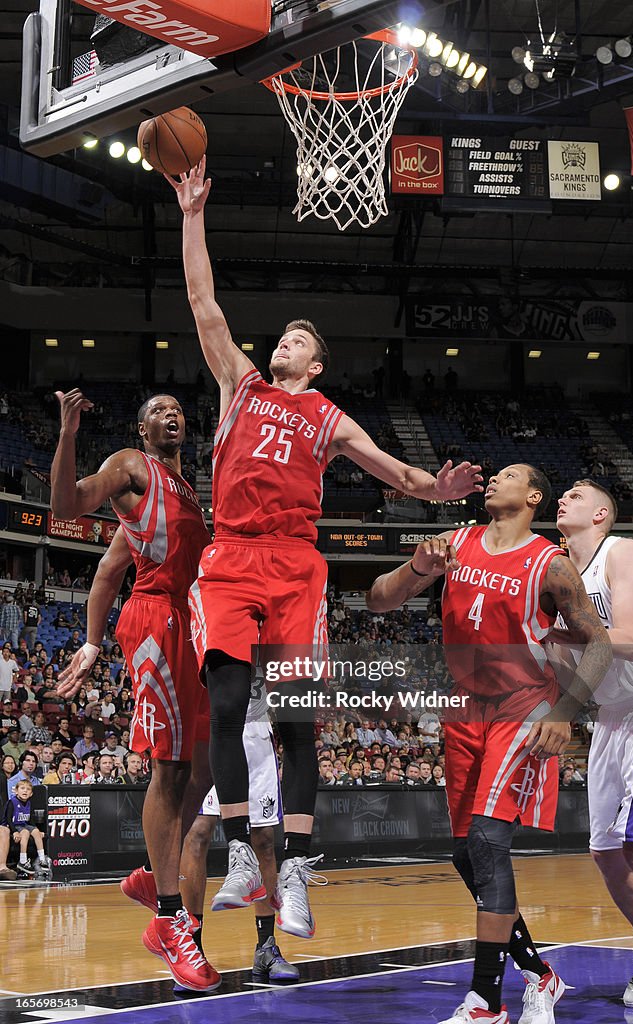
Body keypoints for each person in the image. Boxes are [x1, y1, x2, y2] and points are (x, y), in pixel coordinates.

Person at [170, 153, 482, 941]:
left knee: (299, 724)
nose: (284, 341)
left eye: (297, 340)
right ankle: (243, 853)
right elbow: (204, 303)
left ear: (315, 365)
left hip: (295, 567)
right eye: (281, 335)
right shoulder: (240, 385)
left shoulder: (329, 417)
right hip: (233, 558)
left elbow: (395, 467)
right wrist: (192, 215)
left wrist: (435, 493)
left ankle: (300, 868)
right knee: (230, 705)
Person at [366, 463, 612, 1024]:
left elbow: (597, 644)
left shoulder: (551, 566)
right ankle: (541, 974)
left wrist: (567, 711)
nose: (492, 481)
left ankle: (485, 1001)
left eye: (505, 475)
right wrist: (415, 567)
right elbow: (378, 600)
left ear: (532, 496)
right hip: (463, 704)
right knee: (463, 853)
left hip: (522, 705)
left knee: (487, 840)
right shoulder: (455, 542)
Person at [51, 392, 218, 992]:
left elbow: (106, 570)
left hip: (191, 624)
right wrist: (68, 435)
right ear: (142, 427)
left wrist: (93, 642)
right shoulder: (131, 466)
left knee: (200, 773)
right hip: (156, 623)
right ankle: (171, 921)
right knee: (170, 772)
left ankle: (153, 875)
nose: (172, 413)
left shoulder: (184, 492)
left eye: (178, 408)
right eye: (159, 409)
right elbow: (66, 506)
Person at [552, 479, 633, 1009]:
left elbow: (629, 639)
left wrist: (562, 638)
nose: (563, 498)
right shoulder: (559, 572)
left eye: (576, 493)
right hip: (609, 718)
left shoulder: (624, 553)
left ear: (601, 514)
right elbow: (564, 664)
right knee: (604, 852)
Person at [179, 676, 300, 984]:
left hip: (255, 731)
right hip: (211, 731)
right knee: (198, 834)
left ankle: (266, 946)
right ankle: (192, 948)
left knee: (263, 840)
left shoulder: (266, 630)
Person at [1, 779, 49, 878]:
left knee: (36, 832)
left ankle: (42, 859)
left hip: (23, 824)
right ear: (16, 791)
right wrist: (14, 832)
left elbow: (30, 820)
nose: (25, 791)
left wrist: (37, 830)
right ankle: (22, 860)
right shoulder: (12, 802)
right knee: (26, 833)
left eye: (28, 789)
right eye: (22, 788)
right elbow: (8, 819)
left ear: (31, 793)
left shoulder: (29, 803)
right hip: (14, 825)